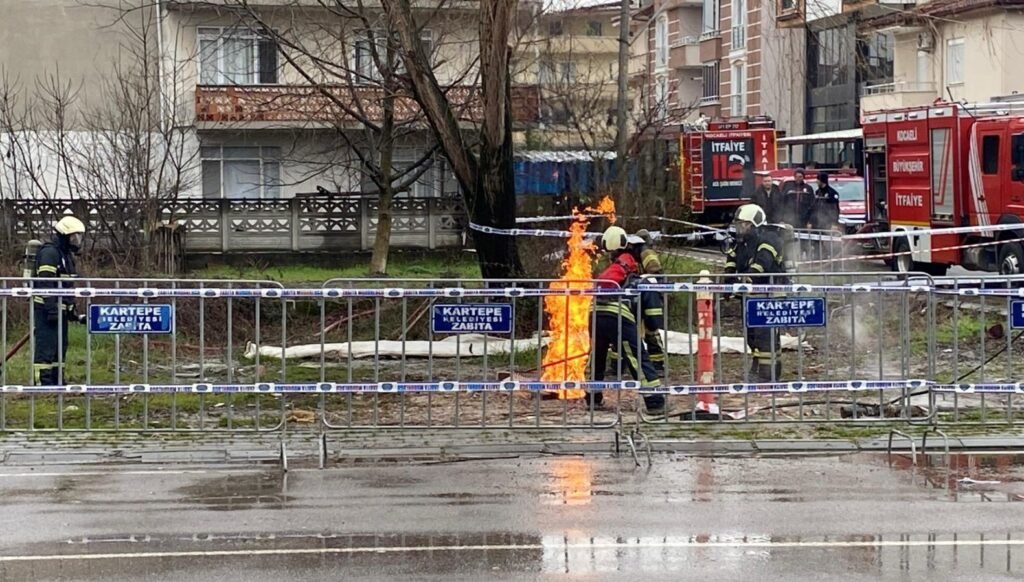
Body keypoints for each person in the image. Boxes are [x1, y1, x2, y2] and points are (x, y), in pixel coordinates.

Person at [589, 226, 665, 414]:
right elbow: (652, 312)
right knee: (637, 357)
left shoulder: (611, 270)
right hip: (617, 315)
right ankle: (655, 402)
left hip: (594, 313)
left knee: (597, 358)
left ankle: (593, 398)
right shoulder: (633, 272)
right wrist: (654, 325)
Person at [723, 204, 788, 383]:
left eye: (743, 224)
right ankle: (758, 365)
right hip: (751, 297)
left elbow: (762, 265)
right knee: (752, 336)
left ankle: (769, 374)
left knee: (766, 336)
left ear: (753, 224)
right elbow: (731, 261)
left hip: (770, 295)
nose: (739, 228)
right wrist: (727, 282)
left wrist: (744, 280)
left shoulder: (769, 239)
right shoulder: (741, 242)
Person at [33, 216, 87, 386]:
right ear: (64, 236)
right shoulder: (50, 253)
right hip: (46, 310)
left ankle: (57, 380)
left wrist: (71, 309)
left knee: (60, 347)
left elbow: (67, 286)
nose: (77, 240)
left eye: (78, 236)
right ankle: (43, 382)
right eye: (73, 237)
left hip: (60, 310)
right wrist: (51, 309)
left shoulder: (66, 255)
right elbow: (45, 283)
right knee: (46, 347)